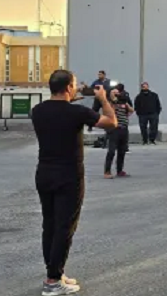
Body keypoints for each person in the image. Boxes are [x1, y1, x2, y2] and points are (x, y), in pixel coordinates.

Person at [32, 70, 118, 295]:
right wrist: (103, 99)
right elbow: (111, 122)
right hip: (69, 176)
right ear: (69, 88)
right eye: (74, 85)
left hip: (44, 173)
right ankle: (52, 281)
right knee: (65, 227)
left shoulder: (38, 111)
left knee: (49, 225)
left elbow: (59, 111)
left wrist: (72, 95)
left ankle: (55, 273)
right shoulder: (77, 112)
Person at [104, 87, 134, 179]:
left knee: (122, 151)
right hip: (114, 130)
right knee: (112, 151)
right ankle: (107, 171)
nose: (117, 94)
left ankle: (120, 170)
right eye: (114, 93)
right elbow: (109, 113)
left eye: (118, 93)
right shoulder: (109, 103)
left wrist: (124, 102)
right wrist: (114, 101)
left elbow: (131, 111)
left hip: (124, 129)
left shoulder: (123, 103)